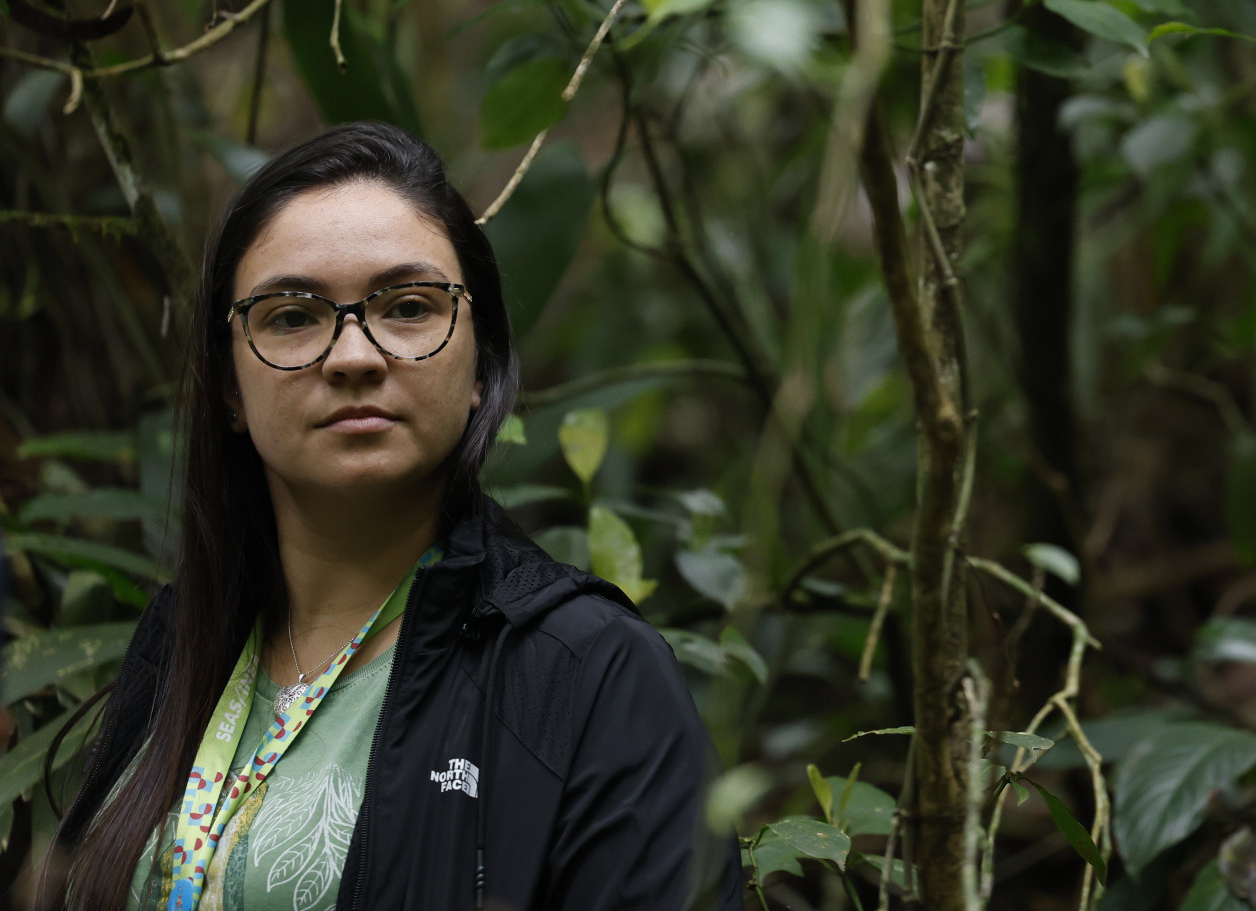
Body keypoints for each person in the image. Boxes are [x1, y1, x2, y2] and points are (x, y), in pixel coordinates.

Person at [46, 121, 742, 911]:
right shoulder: (182, 639)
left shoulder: (585, 675)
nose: (353, 356)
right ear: (232, 387)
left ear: (480, 362)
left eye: (408, 306)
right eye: (292, 316)